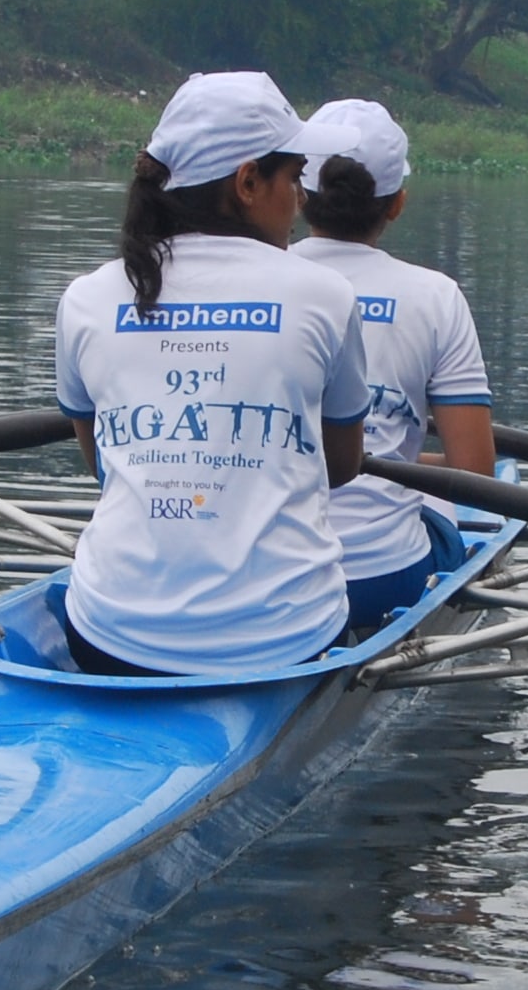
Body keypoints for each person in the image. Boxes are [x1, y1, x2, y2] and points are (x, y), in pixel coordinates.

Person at [49, 72, 369, 676]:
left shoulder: (85, 297)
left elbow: (99, 461)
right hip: (284, 640)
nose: (301, 198)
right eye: (294, 176)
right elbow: (343, 465)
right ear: (248, 182)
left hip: (108, 633)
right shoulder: (326, 295)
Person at [288, 98, 493, 635]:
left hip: (270, 577)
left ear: (298, 192)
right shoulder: (436, 297)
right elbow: (474, 476)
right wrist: (393, 450)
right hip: (382, 579)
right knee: (446, 516)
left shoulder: (250, 283)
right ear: (397, 203)